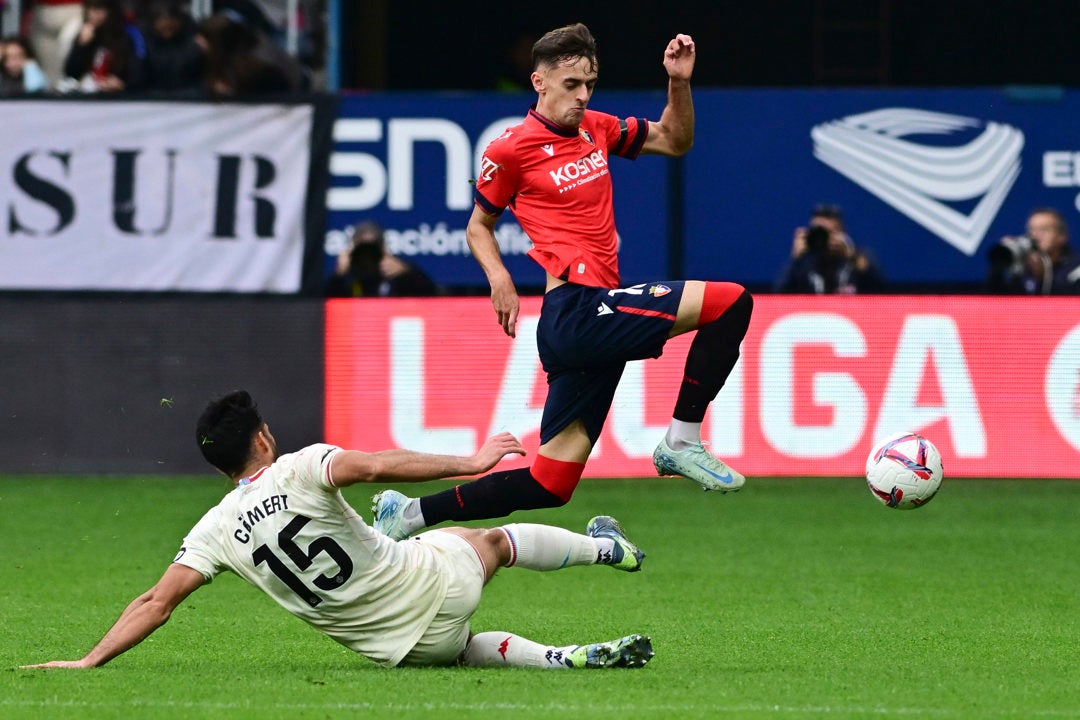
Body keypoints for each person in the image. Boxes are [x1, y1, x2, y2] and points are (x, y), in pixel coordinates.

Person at [372, 23, 754, 542]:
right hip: (575, 310)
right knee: (730, 302)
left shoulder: (595, 128)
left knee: (549, 484)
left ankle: (410, 514)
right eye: (572, 84)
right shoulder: (510, 150)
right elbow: (478, 225)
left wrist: (678, 83)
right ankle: (683, 440)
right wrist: (499, 278)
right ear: (539, 82)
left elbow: (674, 139)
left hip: (583, 325)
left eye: (589, 84)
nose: (582, 96)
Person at [21, 390, 654, 671]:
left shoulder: (212, 530)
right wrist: (473, 459)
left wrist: (89, 658)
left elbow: (155, 603)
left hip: (393, 647)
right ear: (263, 438)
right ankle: (608, 547)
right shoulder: (299, 467)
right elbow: (377, 463)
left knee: (458, 649)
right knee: (492, 542)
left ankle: (561, 659)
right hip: (430, 585)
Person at [775, 204, 884, 294]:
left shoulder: (859, 257)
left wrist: (852, 256)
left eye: (830, 233)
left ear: (843, 233)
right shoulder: (803, 264)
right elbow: (779, 295)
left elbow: (881, 290)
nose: (824, 239)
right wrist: (795, 259)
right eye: (819, 233)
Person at [195, 11, 306, 97]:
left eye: (205, 43)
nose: (200, 47)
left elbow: (276, 89)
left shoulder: (258, 59)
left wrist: (233, 90)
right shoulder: (222, 57)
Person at [326, 220, 440, 298]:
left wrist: (406, 272)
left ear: (384, 248)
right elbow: (314, 307)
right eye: (363, 248)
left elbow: (432, 296)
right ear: (352, 248)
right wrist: (338, 275)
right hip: (352, 328)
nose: (368, 254)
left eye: (373, 248)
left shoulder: (396, 272)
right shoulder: (347, 275)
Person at [986, 207, 1080, 295]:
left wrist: (1042, 275)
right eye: (1032, 230)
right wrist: (1001, 262)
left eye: (1044, 229)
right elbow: (1000, 301)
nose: (1036, 236)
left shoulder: (1075, 266)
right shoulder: (1025, 266)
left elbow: (1070, 301)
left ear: (1062, 236)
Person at [61, 0, 146, 93]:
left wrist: (122, 83)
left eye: (99, 10)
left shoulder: (126, 36)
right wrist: (81, 46)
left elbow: (138, 73)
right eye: (90, 9)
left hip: (118, 97)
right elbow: (71, 73)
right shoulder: (84, 35)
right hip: (87, 95)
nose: (93, 15)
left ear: (111, 12)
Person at [140, 0, 203, 94]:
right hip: (150, 95)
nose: (167, 33)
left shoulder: (193, 42)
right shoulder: (143, 42)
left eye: (171, 28)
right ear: (154, 24)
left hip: (188, 94)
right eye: (163, 28)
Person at [27, 0, 84, 87]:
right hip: (42, 11)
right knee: (49, 71)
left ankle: (75, 90)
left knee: (67, 55)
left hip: (73, 9)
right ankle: (54, 92)